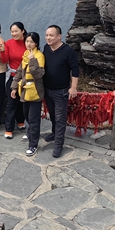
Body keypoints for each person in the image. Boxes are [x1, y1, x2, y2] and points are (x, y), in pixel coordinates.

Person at [42, 25, 79, 158]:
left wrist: (73, 87)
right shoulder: (46, 48)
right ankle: (54, 133)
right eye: (47, 35)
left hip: (61, 91)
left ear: (59, 36)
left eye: (51, 35)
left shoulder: (68, 51)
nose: (48, 38)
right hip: (48, 89)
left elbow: (75, 70)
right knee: (52, 114)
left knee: (60, 118)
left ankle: (59, 144)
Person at [10, 32, 45, 156]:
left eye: (31, 41)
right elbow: (19, 72)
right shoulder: (25, 54)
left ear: (36, 43)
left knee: (34, 119)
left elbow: (39, 74)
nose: (28, 44)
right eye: (27, 41)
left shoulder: (39, 56)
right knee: (27, 115)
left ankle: (33, 144)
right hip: (25, 90)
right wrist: (14, 88)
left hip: (35, 91)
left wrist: (32, 61)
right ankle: (30, 132)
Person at [2, 22, 28, 138]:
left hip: (26, 77)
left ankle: (21, 120)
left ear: (22, 31)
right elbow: (4, 60)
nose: (14, 34)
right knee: (11, 102)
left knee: (23, 101)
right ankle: (9, 128)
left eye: (16, 31)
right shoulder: (8, 43)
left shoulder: (28, 42)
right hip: (13, 76)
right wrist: (2, 51)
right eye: (12, 31)